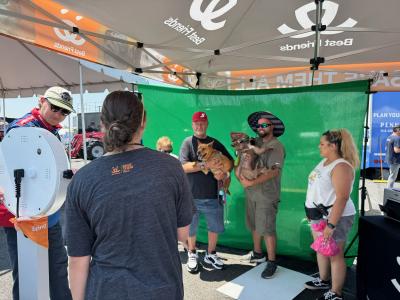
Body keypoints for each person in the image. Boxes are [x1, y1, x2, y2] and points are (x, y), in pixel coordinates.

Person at [65, 91, 194, 300]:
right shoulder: (171, 167)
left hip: (106, 292)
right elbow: (182, 235)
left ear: (102, 124)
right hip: (163, 290)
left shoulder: (82, 180)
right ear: (143, 122)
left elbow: (78, 260)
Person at [0, 86, 73, 300]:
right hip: (24, 215)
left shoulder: (51, 129)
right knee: (27, 273)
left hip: (50, 213)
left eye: (64, 112)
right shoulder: (22, 129)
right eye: (55, 108)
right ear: (42, 101)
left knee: (58, 268)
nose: (59, 114)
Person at [304, 129, 360, 300]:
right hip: (318, 215)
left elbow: (342, 198)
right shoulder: (325, 162)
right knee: (322, 249)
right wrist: (310, 212)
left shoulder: (341, 166)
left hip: (336, 217)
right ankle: (323, 279)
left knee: (335, 254)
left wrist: (331, 224)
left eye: (322, 144)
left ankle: (336, 292)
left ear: (333, 145)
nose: (319, 146)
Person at [179, 111, 233, 273]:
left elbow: (230, 162)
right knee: (191, 228)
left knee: (214, 227)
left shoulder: (215, 143)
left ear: (207, 124)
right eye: (196, 123)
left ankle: (211, 254)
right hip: (191, 196)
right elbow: (182, 167)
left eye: (202, 123)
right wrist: (205, 165)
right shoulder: (187, 143)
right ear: (192, 125)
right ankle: (192, 253)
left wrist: (225, 172)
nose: (199, 126)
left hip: (212, 195)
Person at [236, 111, 285, 279]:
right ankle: (258, 254)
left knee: (268, 229)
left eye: (265, 125)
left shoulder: (276, 146)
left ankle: (272, 262)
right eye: (259, 125)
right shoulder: (253, 142)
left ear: (272, 128)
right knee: (254, 225)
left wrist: (250, 182)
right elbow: (241, 157)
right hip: (251, 194)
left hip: (266, 195)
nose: (261, 128)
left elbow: (274, 172)